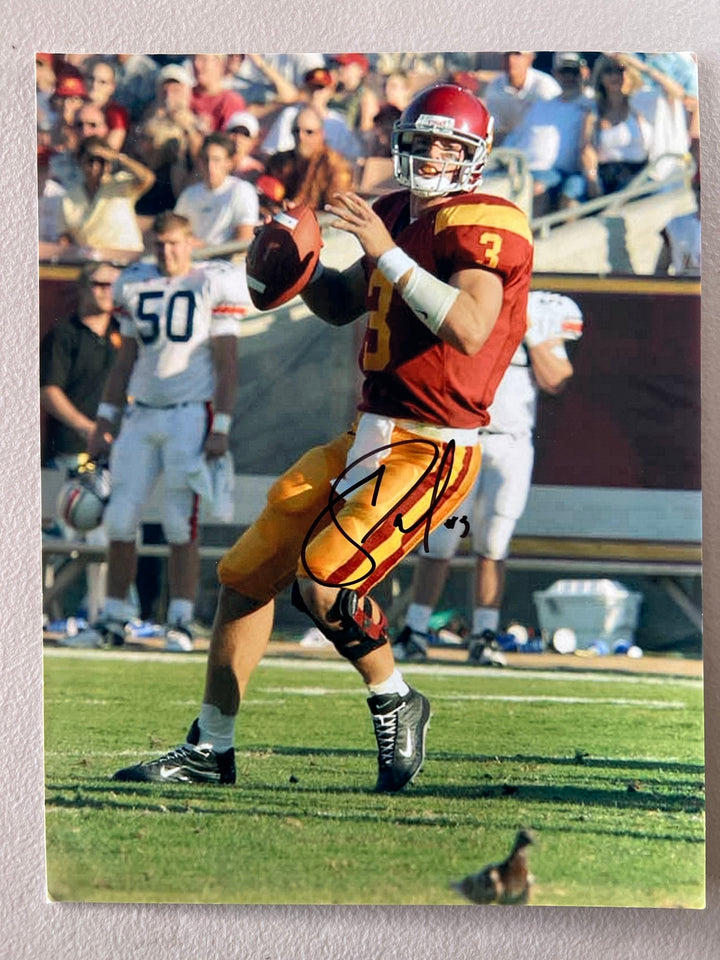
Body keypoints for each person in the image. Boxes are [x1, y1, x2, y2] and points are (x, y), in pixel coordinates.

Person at [111, 83, 534, 793]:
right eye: (423, 139)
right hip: (369, 429)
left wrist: (384, 250)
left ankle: (397, 698)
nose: (432, 154)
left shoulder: (489, 221)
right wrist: (295, 266)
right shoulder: (396, 210)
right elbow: (343, 304)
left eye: (448, 144)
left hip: (432, 443)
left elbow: (468, 326)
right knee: (246, 575)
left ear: (474, 157)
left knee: (326, 577)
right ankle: (211, 745)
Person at [62, 212, 252, 653]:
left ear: (191, 242)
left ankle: (181, 619)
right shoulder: (135, 284)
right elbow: (125, 360)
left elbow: (227, 366)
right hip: (141, 414)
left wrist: (220, 425)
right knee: (120, 517)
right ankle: (114, 617)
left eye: (174, 243)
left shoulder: (213, 282)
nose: (167, 252)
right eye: (160, 244)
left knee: (178, 520)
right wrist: (105, 418)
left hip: (189, 414)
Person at [393, 290, 583, 665]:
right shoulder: (467, 298)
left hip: (510, 443)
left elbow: (557, 379)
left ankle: (484, 635)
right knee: (439, 542)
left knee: (494, 544)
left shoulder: (538, 309)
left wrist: (528, 334)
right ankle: (415, 630)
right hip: (460, 437)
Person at [40, 260, 121, 623]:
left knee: (107, 539)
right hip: (73, 455)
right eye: (97, 284)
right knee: (72, 541)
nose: (105, 290)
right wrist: (89, 428)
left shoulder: (125, 334)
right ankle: (48, 612)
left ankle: (103, 612)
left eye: (110, 284)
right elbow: (48, 391)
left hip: (116, 457)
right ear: (83, 289)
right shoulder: (64, 334)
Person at [504, 52, 594, 215]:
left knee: (537, 188)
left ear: (584, 73)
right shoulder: (540, 106)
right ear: (556, 74)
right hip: (524, 169)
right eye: (564, 72)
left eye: (574, 72)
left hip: (558, 173)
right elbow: (515, 137)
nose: (569, 77)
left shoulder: (590, 105)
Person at [57, 135, 155, 254]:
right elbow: (65, 235)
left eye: (101, 161)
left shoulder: (122, 184)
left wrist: (117, 157)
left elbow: (147, 178)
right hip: (89, 259)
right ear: (80, 160)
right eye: (90, 160)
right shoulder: (69, 197)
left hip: (125, 257)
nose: (95, 167)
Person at [582, 56, 652, 197]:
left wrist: (639, 66)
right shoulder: (593, 111)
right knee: (573, 190)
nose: (614, 76)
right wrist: (592, 179)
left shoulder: (640, 104)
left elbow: (676, 93)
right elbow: (586, 148)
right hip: (606, 173)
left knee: (624, 193)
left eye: (619, 70)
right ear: (600, 77)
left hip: (639, 173)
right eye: (608, 71)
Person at [175, 132, 259, 245]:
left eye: (216, 160)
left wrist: (202, 248)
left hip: (226, 262)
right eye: (206, 159)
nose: (210, 166)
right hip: (191, 260)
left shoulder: (243, 191)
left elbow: (243, 242)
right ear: (200, 162)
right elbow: (175, 232)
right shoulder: (188, 194)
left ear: (229, 163)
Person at [265, 106, 354, 210]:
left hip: (318, 223)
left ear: (321, 134)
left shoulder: (336, 166)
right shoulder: (280, 161)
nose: (301, 137)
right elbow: (265, 198)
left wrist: (299, 215)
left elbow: (337, 211)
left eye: (309, 132)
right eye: (296, 131)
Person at [483, 52, 561, 145]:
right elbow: (495, 130)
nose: (511, 60)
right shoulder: (494, 87)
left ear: (530, 58)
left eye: (517, 54)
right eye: (507, 55)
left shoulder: (546, 87)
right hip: (510, 147)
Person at [190, 54, 247, 133]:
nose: (196, 64)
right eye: (194, 59)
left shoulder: (231, 101)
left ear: (219, 64)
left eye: (203, 59)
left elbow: (231, 141)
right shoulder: (184, 95)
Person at [224, 111, 265, 181]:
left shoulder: (256, 170)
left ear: (254, 141)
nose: (238, 138)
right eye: (234, 131)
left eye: (245, 134)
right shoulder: (212, 164)